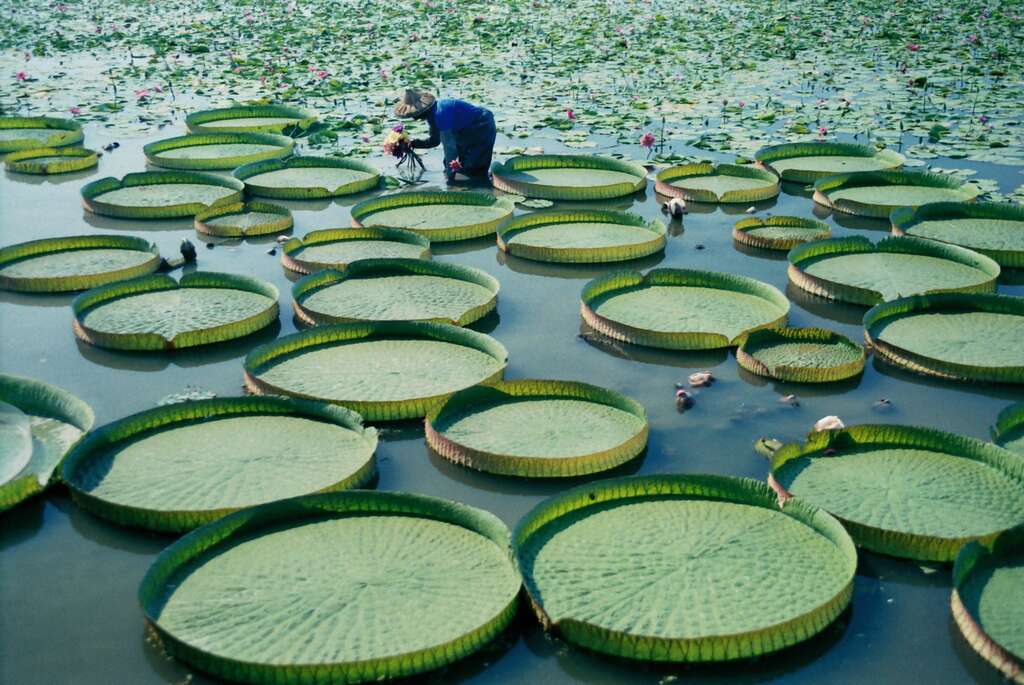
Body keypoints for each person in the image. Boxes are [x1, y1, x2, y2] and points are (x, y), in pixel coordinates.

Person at [394, 89, 496, 183]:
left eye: (414, 115)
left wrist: (450, 178)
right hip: (465, 130)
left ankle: (484, 187)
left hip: (482, 125)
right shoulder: (433, 116)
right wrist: (413, 143)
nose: (414, 118)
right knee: (456, 166)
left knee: (474, 168)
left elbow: (450, 148)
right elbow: (435, 141)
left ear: (422, 111)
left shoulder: (440, 113)